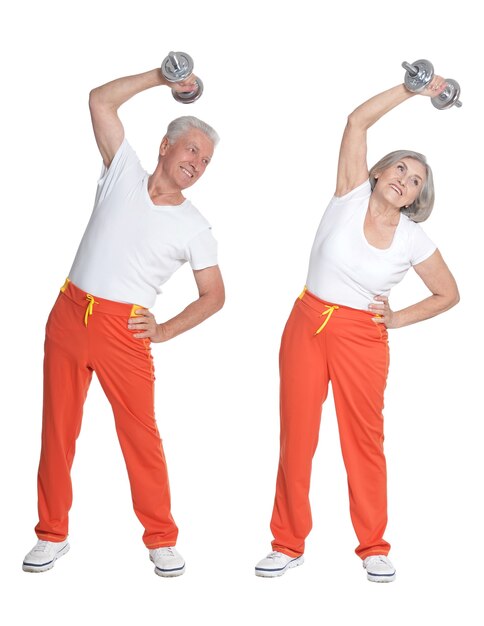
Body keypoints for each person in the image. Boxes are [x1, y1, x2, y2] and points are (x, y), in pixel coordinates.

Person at [255, 73, 459, 582]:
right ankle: (287, 542)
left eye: (415, 180)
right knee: (295, 438)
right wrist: (414, 90)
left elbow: (448, 294)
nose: (405, 179)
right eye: (400, 167)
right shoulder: (348, 195)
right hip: (306, 324)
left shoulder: (414, 239)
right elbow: (357, 120)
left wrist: (397, 318)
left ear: (416, 197)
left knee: (363, 442)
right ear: (379, 171)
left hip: (363, 340)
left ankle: (373, 547)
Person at [23, 65, 224, 577]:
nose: (197, 164)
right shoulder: (123, 171)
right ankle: (52, 534)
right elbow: (99, 100)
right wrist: (163, 77)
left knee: (141, 437)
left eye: (205, 160)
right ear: (165, 146)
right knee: (58, 431)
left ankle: (161, 537)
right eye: (191, 151)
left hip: (124, 332)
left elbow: (214, 295)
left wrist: (164, 329)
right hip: (69, 314)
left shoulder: (195, 226)